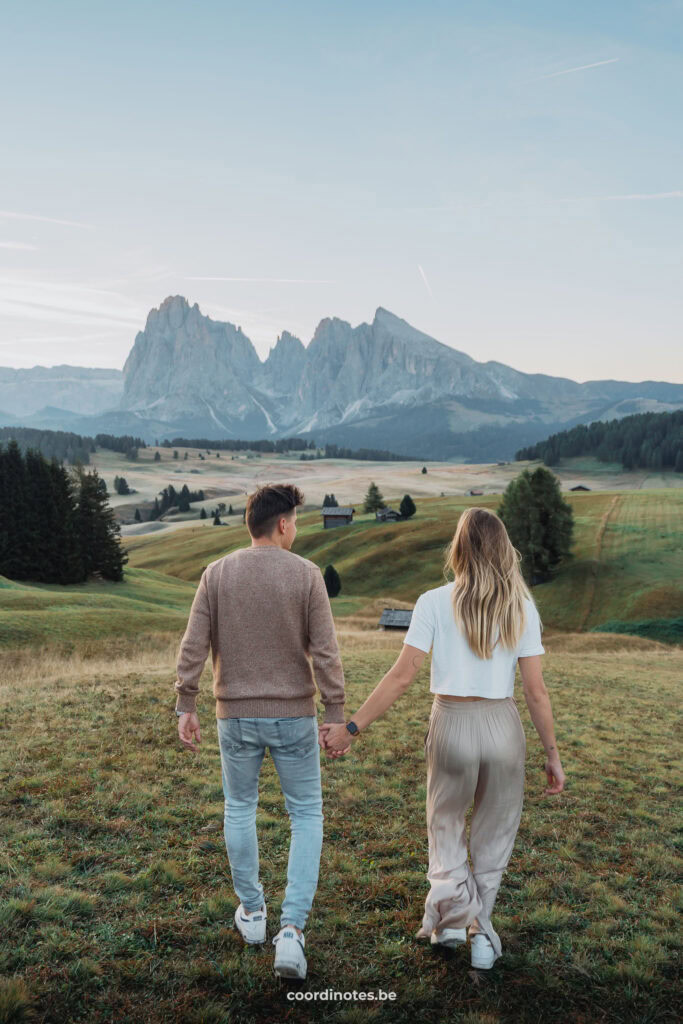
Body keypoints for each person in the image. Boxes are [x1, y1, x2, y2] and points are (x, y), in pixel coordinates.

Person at [320, 506, 566, 970]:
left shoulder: (434, 601)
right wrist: (552, 754)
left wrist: (352, 728)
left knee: (445, 824)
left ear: (460, 548)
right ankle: (479, 935)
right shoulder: (522, 607)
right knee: (493, 835)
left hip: (451, 722)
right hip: (503, 727)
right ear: (501, 548)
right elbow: (536, 691)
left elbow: (401, 676)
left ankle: (452, 920)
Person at [174, 483, 346, 980]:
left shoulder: (216, 574)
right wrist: (335, 711)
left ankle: (252, 914)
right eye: (296, 520)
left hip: (234, 715)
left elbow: (194, 644)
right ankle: (291, 931)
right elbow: (327, 653)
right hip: (296, 715)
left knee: (239, 808)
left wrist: (187, 701)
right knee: (306, 814)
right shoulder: (307, 575)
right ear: (284, 524)